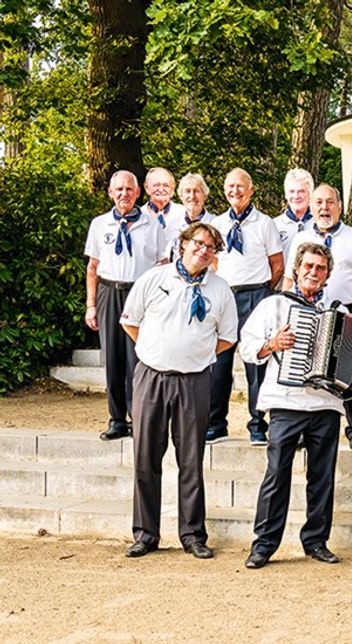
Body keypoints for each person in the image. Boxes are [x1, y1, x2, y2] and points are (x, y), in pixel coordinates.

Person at [239, 243, 352, 569]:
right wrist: (271, 344)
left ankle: (316, 541)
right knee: (276, 475)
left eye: (320, 268)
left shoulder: (341, 312)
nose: (313, 272)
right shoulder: (273, 304)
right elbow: (246, 347)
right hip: (285, 402)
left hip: (326, 405)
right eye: (308, 266)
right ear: (296, 269)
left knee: (322, 477)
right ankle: (263, 545)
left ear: (328, 275)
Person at [119, 223, 238, 558]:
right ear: (183, 244)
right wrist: (156, 351)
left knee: (190, 460)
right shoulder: (154, 279)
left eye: (211, 246)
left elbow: (228, 337)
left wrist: (196, 355)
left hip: (193, 381)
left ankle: (193, 535)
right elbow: (130, 321)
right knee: (145, 457)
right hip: (151, 378)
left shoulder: (220, 290)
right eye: (198, 243)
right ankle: (145, 534)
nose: (204, 250)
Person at [283, 183, 352, 452]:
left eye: (330, 202)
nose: (324, 208)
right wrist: (283, 307)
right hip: (309, 309)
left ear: (339, 206)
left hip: (350, 311)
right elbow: (290, 277)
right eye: (319, 203)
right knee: (310, 368)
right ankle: (305, 428)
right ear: (311, 207)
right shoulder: (301, 238)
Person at [84, 170, 168, 441]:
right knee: (112, 358)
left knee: (138, 357)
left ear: (138, 193)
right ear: (110, 192)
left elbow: (162, 266)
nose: (124, 194)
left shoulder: (153, 225)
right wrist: (91, 305)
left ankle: (139, 418)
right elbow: (92, 268)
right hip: (110, 291)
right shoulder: (99, 224)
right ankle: (116, 419)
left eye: (129, 190)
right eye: (119, 189)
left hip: (139, 294)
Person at [208, 168, 284, 446]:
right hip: (226, 297)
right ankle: (216, 424)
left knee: (257, 363)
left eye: (241, 186)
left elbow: (277, 265)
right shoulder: (217, 222)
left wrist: (264, 294)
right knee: (219, 363)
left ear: (251, 190)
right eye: (230, 186)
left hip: (256, 296)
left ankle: (257, 424)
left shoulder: (264, 223)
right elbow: (214, 262)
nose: (235, 191)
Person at [165, 173, 214, 259]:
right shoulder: (171, 225)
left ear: (205, 195)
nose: (192, 196)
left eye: (196, 191)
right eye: (187, 191)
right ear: (181, 196)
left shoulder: (216, 224)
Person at [273, 168, 315, 269]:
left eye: (301, 191)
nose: (296, 196)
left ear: (310, 194)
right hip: (283, 283)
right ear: (286, 195)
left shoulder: (319, 224)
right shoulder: (273, 225)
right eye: (291, 191)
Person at [143, 167, 188, 251]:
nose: (160, 189)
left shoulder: (185, 214)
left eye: (165, 185)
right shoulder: (138, 216)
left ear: (172, 190)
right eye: (156, 185)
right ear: (147, 188)